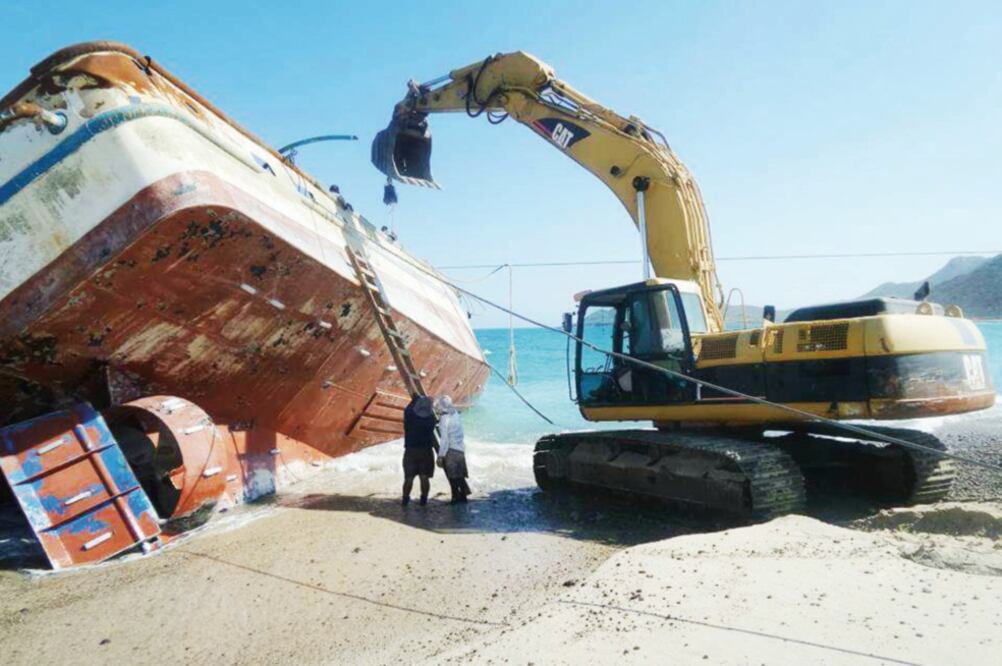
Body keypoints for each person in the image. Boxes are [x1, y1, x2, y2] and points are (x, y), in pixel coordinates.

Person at [434, 395, 471, 504]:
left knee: (453, 477)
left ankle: (455, 498)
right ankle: (463, 498)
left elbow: (444, 440)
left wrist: (440, 456)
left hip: (451, 450)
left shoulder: (444, 419)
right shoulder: (455, 414)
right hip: (460, 449)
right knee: (459, 475)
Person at [402, 395, 437, 506]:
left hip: (410, 451)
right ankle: (423, 500)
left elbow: (407, 409)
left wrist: (415, 398)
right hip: (426, 452)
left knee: (408, 478)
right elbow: (433, 413)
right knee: (424, 477)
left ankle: (405, 500)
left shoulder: (409, 418)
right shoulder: (431, 419)